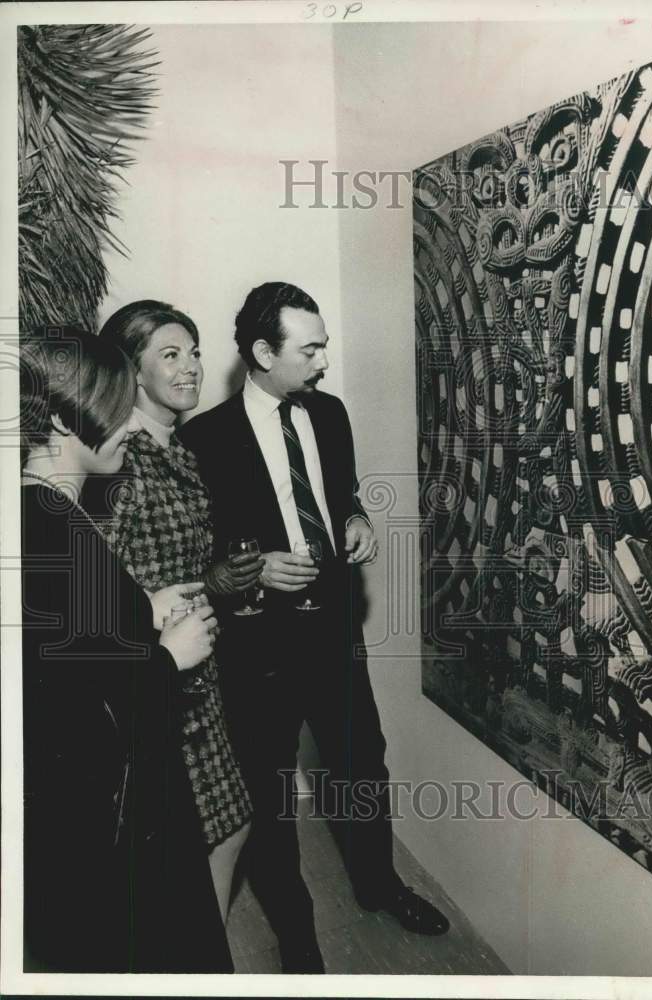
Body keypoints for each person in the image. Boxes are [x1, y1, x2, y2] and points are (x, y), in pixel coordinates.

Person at [180, 282, 450, 974]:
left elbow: (341, 494)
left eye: (323, 345)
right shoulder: (201, 439)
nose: (325, 361)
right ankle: (297, 932)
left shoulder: (328, 413)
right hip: (256, 649)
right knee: (270, 794)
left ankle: (379, 884)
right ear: (263, 353)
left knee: (362, 765)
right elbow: (191, 557)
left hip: (333, 634)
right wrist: (253, 569)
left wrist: (356, 518)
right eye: (311, 348)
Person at [20, 328, 231, 972]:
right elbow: (77, 713)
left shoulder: (41, 514)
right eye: (115, 407)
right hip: (101, 825)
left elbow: (70, 652)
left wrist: (142, 608)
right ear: (60, 418)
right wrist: (171, 655)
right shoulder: (56, 531)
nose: (127, 423)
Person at [94, 300, 262, 921]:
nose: (191, 366)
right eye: (171, 355)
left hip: (198, 673)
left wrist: (222, 584)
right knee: (214, 833)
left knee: (223, 831)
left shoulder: (179, 450)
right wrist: (154, 617)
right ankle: (195, 963)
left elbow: (179, 567)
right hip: (160, 675)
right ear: (133, 373)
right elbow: (98, 586)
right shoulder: (121, 462)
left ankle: (193, 956)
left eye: (193, 351)